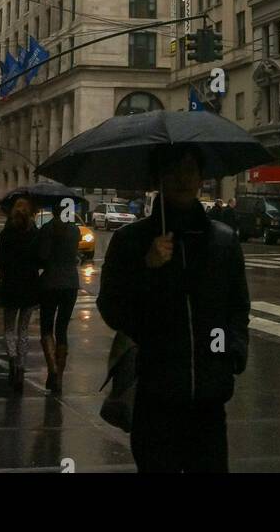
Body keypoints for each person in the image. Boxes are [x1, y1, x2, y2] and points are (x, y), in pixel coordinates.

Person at [97, 146, 250, 474]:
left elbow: (237, 306)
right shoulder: (131, 241)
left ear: (201, 177)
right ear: (158, 179)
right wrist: (147, 267)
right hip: (154, 399)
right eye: (172, 171)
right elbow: (112, 309)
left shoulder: (222, 241)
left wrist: (232, 353)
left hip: (209, 402)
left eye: (190, 170)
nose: (182, 178)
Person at [0, 198, 40, 389]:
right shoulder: (35, 234)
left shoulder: (8, 233)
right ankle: (21, 366)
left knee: (9, 328)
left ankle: (12, 359)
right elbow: (40, 258)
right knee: (23, 330)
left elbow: (1, 261)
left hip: (11, 287)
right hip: (30, 287)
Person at [36, 204, 79, 395]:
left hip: (50, 282)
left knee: (47, 327)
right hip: (70, 283)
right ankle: (59, 377)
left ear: (53, 212)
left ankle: (52, 368)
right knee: (62, 328)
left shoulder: (47, 229)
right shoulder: (75, 230)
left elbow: (42, 256)